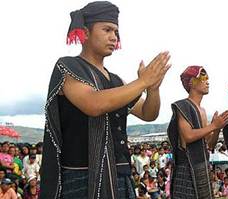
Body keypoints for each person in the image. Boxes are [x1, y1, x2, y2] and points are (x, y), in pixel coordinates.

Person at [40, 1, 171, 198]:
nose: (114, 37)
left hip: (120, 173)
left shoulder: (116, 81)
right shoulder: (67, 67)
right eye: (107, 29)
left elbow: (148, 113)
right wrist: (143, 81)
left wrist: (153, 89)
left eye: (116, 32)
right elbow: (94, 104)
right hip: (81, 178)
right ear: (85, 32)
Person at [167, 65, 228, 198]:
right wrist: (213, 125)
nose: (207, 81)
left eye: (208, 78)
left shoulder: (202, 110)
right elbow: (188, 136)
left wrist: (218, 128)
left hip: (202, 167)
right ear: (191, 82)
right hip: (187, 167)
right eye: (203, 78)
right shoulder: (183, 106)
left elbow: (209, 145)